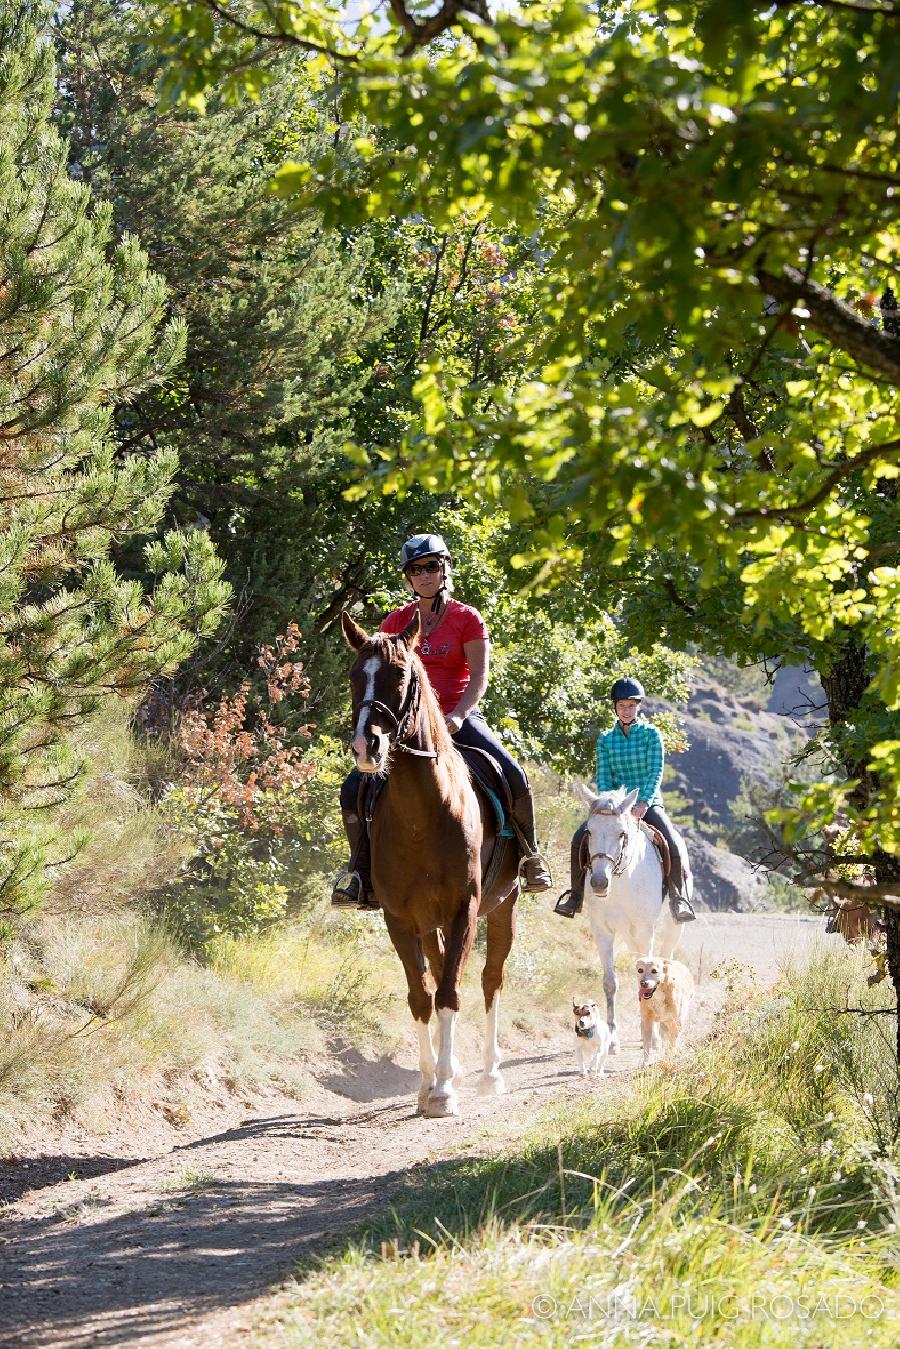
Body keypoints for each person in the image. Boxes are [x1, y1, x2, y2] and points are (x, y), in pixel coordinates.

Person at [332, 533, 553, 908]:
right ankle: (359, 871)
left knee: (513, 772)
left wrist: (460, 715)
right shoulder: (397, 620)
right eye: (416, 569)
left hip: (457, 715)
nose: (424, 575)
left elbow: (479, 675)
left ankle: (530, 856)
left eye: (431, 566)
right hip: (408, 723)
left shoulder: (467, 618)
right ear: (409, 577)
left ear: (445, 568)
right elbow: (384, 675)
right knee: (354, 786)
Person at [554, 676, 696, 922]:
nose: (626, 710)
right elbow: (603, 777)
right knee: (580, 837)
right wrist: (609, 804)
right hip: (614, 807)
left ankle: (677, 898)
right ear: (615, 707)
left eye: (631, 706)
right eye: (622, 706)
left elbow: (655, 773)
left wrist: (644, 802)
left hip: (646, 803)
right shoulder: (606, 740)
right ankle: (575, 897)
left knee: (670, 839)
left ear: (638, 706)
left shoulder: (652, 735)